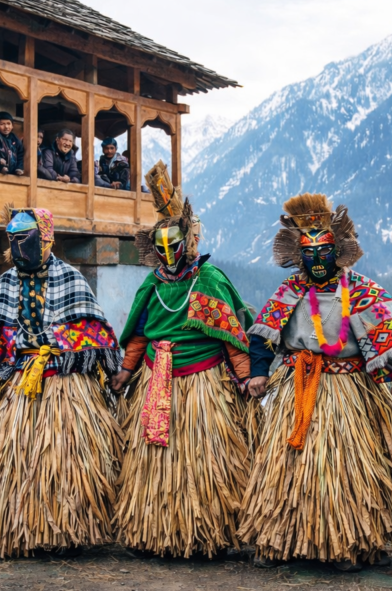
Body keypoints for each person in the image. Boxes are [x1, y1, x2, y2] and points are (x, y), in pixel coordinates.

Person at [240, 193, 392, 571]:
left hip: (347, 391)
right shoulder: (289, 291)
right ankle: (278, 541)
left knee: (346, 469)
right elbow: (262, 334)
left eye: (324, 251)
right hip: (296, 387)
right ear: (298, 254)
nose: (317, 259)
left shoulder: (361, 290)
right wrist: (259, 371)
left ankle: (348, 543)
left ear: (339, 251)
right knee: (287, 466)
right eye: (309, 252)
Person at [0, 208, 123, 558]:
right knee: (18, 461)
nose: (18, 247)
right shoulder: (7, 282)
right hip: (21, 387)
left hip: (66, 386)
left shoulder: (71, 278)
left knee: (67, 462)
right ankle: (23, 532)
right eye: (12, 240)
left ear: (46, 240)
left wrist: (112, 371)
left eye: (25, 239)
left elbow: (95, 331)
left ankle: (68, 533)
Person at [110, 162, 254, 559]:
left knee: (204, 462)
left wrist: (245, 377)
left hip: (202, 387)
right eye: (161, 249)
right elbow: (140, 333)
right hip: (156, 380)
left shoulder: (208, 280)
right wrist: (126, 370)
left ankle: (208, 536)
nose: (168, 255)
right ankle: (153, 533)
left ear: (188, 242)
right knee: (154, 462)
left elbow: (231, 335)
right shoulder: (152, 284)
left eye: (174, 246)